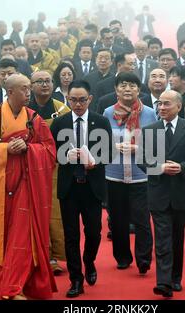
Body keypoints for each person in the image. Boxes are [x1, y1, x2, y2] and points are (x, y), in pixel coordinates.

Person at [0, 74, 57, 300]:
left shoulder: (34, 118)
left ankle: (13, 287)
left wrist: (29, 149)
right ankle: (7, 283)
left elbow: (49, 150)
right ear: (10, 92)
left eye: (30, 88)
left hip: (26, 188)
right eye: (24, 89)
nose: (29, 93)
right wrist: (4, 149)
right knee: (2, 238)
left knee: (23, 238)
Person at [139, 90, 185, 298]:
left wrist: (182, 167)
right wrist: (160, 167)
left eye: (167, 104)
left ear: (179, 106)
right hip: (158, 192)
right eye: (160, 104)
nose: (162, 108)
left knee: (177, 237)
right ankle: (164, 282)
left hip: (183, 192)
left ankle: (176, 277)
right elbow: (142, 160)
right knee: (162, 237)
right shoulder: (150, 130)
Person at [50, 80, 114, 298]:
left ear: (90, 99)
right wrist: (63, 156)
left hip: (92, 186)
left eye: (82, 100)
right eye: (73, 100)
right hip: (69, 188)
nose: (78, 104)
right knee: (70, 235)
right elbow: (50, 153)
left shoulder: (101, 121)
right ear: (68, 99)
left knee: (94, 233)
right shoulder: (59, 123)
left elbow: (110, 153)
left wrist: (94, 161)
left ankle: (89, 261)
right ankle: (76, 279)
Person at [103, 72, 156, 273]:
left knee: (142, 220)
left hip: (141, 175)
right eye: (123, 85)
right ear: (116, 90)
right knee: (118, 220)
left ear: (139, 90)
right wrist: (114, 146)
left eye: (132, 85)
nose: (127, 89)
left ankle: (143, 260)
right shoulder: (107, 113)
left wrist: (137, 149)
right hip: (114, 174)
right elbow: (101, 143)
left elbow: (156, 145)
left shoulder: (150, 113)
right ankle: (122, 257)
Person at [29, 70, 71, 275]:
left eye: (48, 81)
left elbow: (69, 141)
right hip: (28, 168)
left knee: (53, 213)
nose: (44, 85)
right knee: (29, 212)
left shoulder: (62, 110)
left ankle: (52, 256)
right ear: (30, 85)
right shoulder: (23, 109)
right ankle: (33, 254)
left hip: (55, 169)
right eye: (39, 81)